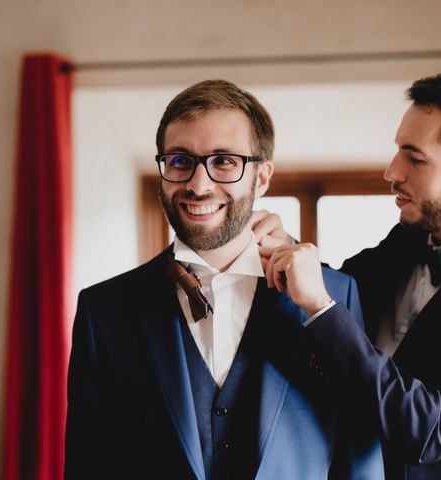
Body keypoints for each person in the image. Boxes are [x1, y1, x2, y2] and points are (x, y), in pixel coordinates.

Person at [64, 79, 383, 479]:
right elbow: (88, 464)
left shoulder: (334, 294)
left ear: (261, 178)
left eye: (224, 162)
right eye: (180, 160)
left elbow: (359, 458)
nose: (198, 185)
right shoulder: (104, 311)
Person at [256, 71, 441, 479]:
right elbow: (342, 292)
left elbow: (428, 430)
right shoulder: (409, 236)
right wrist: (287, 247)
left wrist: (319, 305)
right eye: (397, 151)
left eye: (415, 158)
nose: (392, 171)